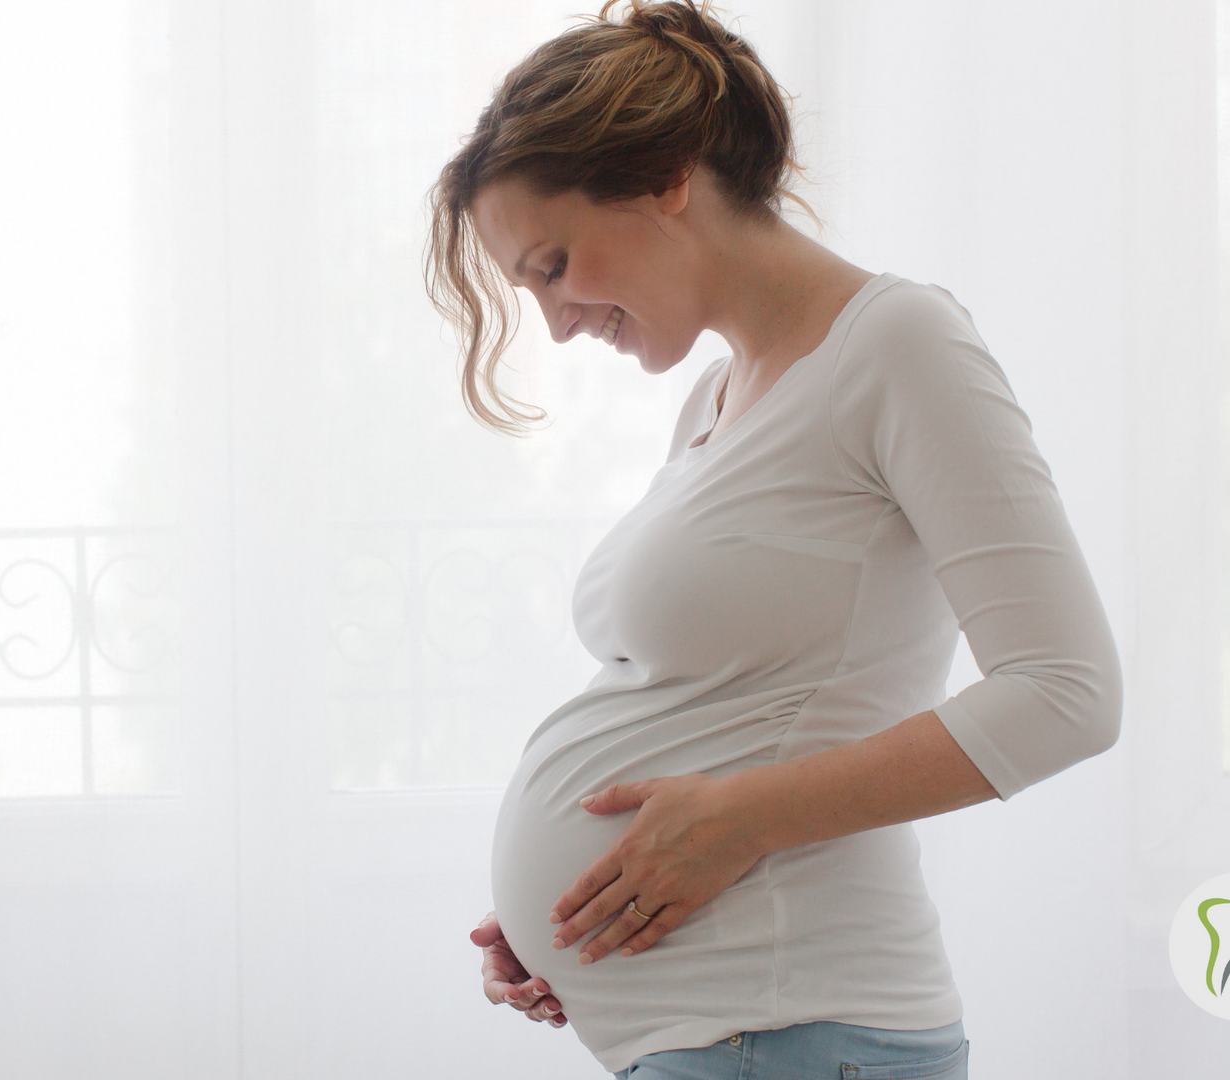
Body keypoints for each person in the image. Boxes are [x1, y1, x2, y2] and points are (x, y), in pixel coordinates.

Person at [422, 2, 1123, 1077]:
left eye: (554, 264)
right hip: (730, 1037)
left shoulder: (898, 342)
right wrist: (570, 907)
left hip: (796, 1028)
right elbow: (729, 706)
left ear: (667, 175)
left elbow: (1067, 691)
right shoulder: (712, 398)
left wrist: (733, 822)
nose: (555, 322)